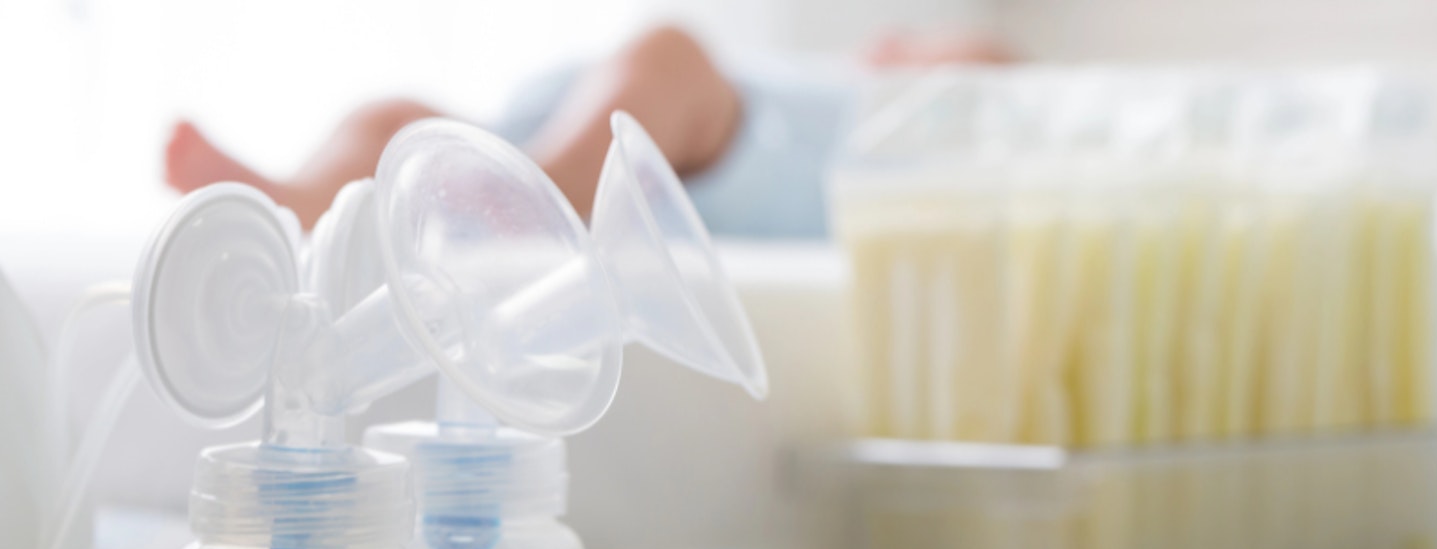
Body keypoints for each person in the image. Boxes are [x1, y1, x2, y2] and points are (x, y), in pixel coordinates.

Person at [164, 25, 1010, 239]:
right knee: (394, 122)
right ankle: (300, 207)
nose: (907, 54)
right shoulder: (831, 75)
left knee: (668, 51)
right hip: (568, 122)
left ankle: (526, 203)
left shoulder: (873, 129)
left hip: (713, 146)